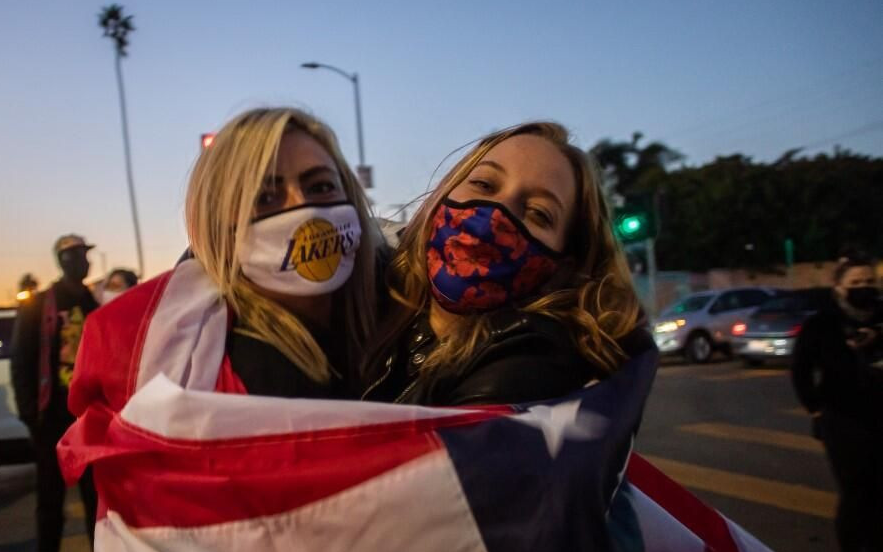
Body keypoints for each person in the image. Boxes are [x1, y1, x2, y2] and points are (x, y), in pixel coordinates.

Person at [67, 106, 378, 424]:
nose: (305, 208)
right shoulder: (234, 371)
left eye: (322, 187)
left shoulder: (398, 313)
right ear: (220, 226)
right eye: (265, 198)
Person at [362, 121, 648, 407]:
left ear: (563, 269)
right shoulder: (370, 302)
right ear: (441, 194)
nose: (494, 216)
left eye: (538, 213)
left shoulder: (532, 363)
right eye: (484, 185)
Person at [11, 234, 101, 552]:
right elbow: (21, 360)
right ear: (62, 260)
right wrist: (31, 414)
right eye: (75, 256)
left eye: (84, 255)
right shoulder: (38, 306)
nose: (82, 262)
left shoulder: (92, 301)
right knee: (49, 502)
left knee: (99, 500)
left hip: (92, 417)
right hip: (52, 420)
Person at [792, 251, 883, 552]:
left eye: (869, 282)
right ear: (839, 287)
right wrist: (815, 408)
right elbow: (801, 371)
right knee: (857, 490)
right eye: (855, 283)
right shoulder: (823, 324)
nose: (863, 289)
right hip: (842, 420)